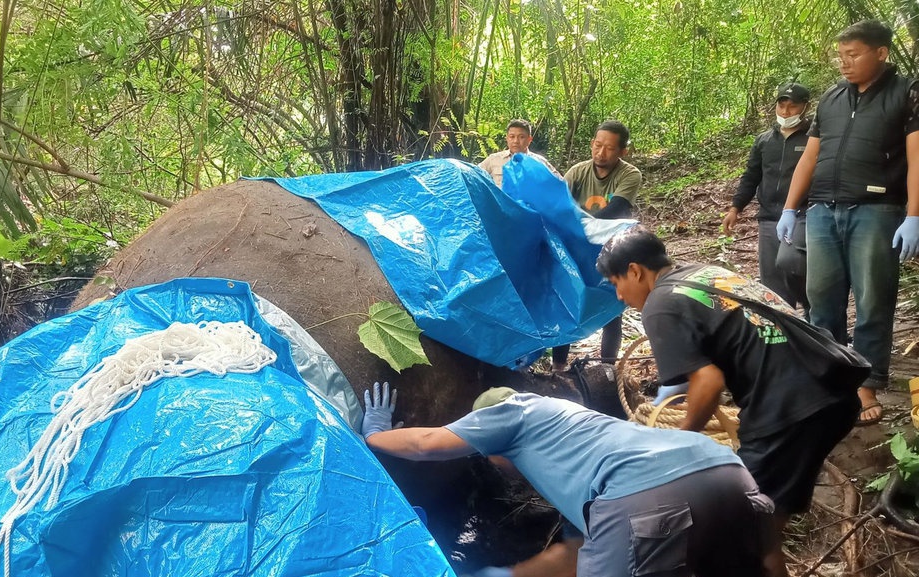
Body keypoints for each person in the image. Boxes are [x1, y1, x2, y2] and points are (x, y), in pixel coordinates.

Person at [596, 226, 862, 577]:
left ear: (635, 271)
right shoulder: (705, 272)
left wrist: (679, 441)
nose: (618, 295)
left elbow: (708, 381)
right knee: (763, 525)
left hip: (790, 409)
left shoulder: (660, 304)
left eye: (616, 283)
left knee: (739, 528)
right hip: (834, 387)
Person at [361, 382, 774, 577]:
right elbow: (579, 551)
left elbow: (426, 444)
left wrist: (374, 434)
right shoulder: (579, 435)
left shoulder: (513, 413)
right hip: (727, 472)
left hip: (643, 496)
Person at [776, 20, 919, 426]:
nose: (845, 63)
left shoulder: (906, 93)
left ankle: (867, 383)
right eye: (841, 56)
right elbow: (810, 157)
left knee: (873, 300)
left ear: (881, 53)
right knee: (821, 299)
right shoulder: (832, 98)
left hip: (876, 210)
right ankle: (830, 378)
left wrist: (914, 215)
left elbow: (917, 157)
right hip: (822, 210)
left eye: (853, 54)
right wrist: (790, 207)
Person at [553, 120, 642, 371]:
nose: (601, 153)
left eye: (610, 148)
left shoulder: (629, 174)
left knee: (612, 308)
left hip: (612, 248)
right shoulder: (578, 172)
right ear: (592, 144)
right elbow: (559, 204)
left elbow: (617, 208)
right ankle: (558, 368)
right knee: (568, 303)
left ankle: (606, 369)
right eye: (598, 145)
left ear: (623, 151)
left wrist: (580, 227)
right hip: (576, 249)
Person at [723, 83, 812, 313]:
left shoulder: (813, 138)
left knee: (794, 264)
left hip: (802, 216)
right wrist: (736, 207)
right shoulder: (764, 140)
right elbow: (751, 175)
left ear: (805, 107)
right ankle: (784, 324)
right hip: (769, 217)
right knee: (772, 279)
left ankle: (814, 314)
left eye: (793, 107)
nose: (786, 112)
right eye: (782, 105)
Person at [478, 119, 560, 187]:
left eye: (521, 137)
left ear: (529, 140)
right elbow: (474, 176)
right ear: (507, 138)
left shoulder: (540, 162)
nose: (516, 141)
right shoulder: (494, 160)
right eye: (512, 137)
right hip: (499, 205)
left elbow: (560, 185)